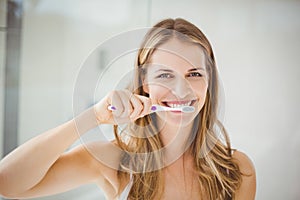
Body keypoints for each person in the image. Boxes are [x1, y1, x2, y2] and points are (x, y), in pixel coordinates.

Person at [0, 18, 256, 200]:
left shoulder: (236, 170)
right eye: (165, 75)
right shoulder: (112, 161)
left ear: (209, 82)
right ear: (144, 83)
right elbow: (8, 182)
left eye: (194, 74)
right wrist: (94, 117)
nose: (181, 90)